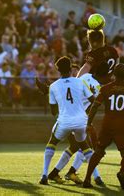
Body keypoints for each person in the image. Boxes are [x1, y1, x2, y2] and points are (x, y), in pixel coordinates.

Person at [82, 64, 124, 190]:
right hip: (121, 125)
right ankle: (121, 173)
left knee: (98, 152)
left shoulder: (106, 88)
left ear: (113, 74)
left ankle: (87, 178)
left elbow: (95, 106)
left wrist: (88, 123)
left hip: (107, 124)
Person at [39, 56, 95, 185]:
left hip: (65, 121)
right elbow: (93, 100)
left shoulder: (53, 86)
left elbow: (53, 112)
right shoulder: (80, 82)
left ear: (58, 70)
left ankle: (44, 175)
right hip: (81, 121)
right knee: (85, 147)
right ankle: (89, 179)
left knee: (52, 142)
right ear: (71, 68)